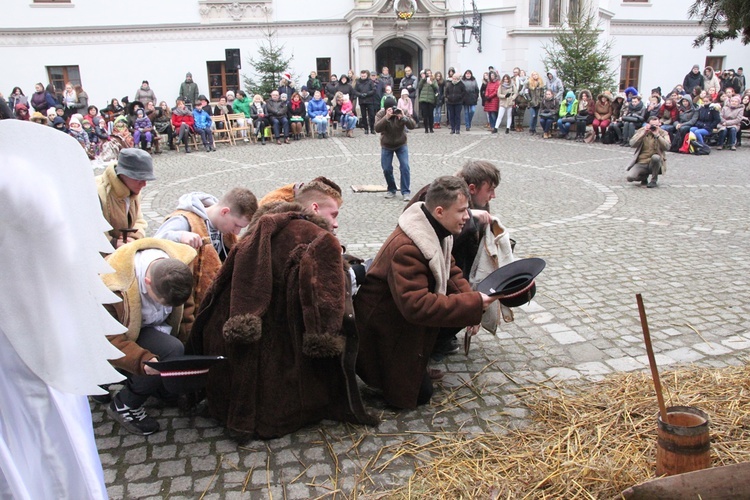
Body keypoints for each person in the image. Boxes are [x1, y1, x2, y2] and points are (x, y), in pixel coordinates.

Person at [185, 181, 377, 440]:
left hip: (226, 344)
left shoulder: (261, 228)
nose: (336, 223)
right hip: (274, 369)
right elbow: (322, 303)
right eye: (334, 214)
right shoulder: (318, 240)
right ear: (315, 207)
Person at [0, 118, 126, 500]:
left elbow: (61, 246)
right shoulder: (22, 171)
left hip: (25, 333)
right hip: (35, 329)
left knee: (44, 442)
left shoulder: (14, 175)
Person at [355, 176, 499, 409]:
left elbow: (451, 270)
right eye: (462, 210)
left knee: (459, 313)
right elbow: (417, 305)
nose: (467, 217)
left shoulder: (438, 228)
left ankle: (413, 365)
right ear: (440, 211)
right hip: (382, 331)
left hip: (401, 321)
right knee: (417, 396)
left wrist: (473, 303)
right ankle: (382, 376)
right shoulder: (408, 247)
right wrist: (472, 304)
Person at [404, 161, 502, 360]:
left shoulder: (478, 205)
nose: (493, 196)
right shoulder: (440, 194)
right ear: (472, 189)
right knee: (458, 303)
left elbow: (455, 263)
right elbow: (426, 223)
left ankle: (440, 338)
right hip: (429, 270)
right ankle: (429, 345)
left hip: (450, 265)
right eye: (489, 190)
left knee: (470, 299)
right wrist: (471, 217)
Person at [102, 238, 196, 435]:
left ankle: (159, 388)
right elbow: (107, 341)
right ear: (147, 282)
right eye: (161, 302)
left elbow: (187, 313)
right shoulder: (113, 286)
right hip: (114, 339)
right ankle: (125, 404)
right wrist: (142, 360)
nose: (167, 309)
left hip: (145, 329)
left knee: (175, 349)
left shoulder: (177, 269)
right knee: (164, 355)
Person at [155, 188, 257, 340]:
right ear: (224, 211)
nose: (236, 232)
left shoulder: (223, 229)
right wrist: (179, 236)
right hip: (184, 304)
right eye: (237, 225)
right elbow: (155, 241)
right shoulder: (185, 220)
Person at [95, 148, 154, 247]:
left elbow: (139, 221)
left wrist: (134, 237)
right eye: (139, 179)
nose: (144, 184)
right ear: (122, 174)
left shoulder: (133, 188)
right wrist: (112, 243)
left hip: (125, 249)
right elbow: (88, 229)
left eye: (146, 179)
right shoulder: (97, 192)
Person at [375, 95, 416, 200]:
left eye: (392, 108)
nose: (392, 111)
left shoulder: (401, 111)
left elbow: (413, 125)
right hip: (387, 145)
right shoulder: (381, 114)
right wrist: (386, 118)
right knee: (387, 169)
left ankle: (405, 191)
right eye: (389, 109)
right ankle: (391, 189)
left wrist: (404, 118)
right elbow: (377, 128)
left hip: (401, 144)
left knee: (405, 167)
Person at [626, 115, 670, 188]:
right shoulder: (642, 131)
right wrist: (643, 134)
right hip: (642, 161)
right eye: (652, 125)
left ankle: (653, 180)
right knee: (630, 177)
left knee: (656, 157)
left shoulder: (663, 133)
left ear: (659, 124)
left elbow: (667, 147)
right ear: (648, 124)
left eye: (656, 125)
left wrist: (657, 136)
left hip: (655, 162)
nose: (655, 127)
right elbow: (632, 144)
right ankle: (643, 177)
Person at [354, 69, 377, 134]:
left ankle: (372, 128)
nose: (363, 77)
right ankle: (366, 128)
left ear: (367, 75)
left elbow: (374, 90)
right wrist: (360, 94)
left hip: (370, 100)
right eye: (362, 76)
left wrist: (367, 93)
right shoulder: (358, 82)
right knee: (363, 116)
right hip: (362, 101)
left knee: (372, 115)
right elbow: (355, 91)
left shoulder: (370, 81)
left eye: (364, 76)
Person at [418, 69, 438, 133]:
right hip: (423, 99)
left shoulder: (433, 80)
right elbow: (419, 86)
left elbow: (436, 88)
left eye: (429, 73)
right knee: (425, 115)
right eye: (427, 73)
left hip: (431, 99)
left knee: (430, 115)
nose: (428, 74)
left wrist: (431, 83)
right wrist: (423, 79)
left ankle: (431, 128)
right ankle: (426, 129)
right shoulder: (423, 80)